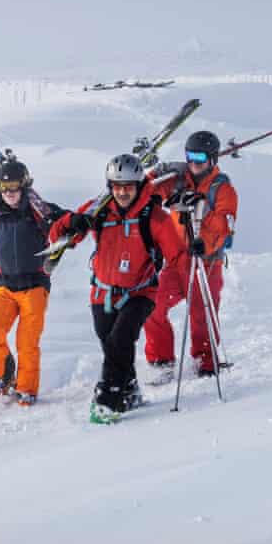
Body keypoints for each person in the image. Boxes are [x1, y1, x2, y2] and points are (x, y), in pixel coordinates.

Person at [49, 154, 188, 423]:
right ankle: (130, 390)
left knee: (120, 340)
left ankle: (108, 399)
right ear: (109, 185)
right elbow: (58, 236)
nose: (123, 192)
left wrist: (191, 256)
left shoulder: (154, 216)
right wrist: (72, 222)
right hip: (102, 292)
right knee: (112, 347)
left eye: (128, 186)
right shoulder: (98, 209)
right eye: (117, 186)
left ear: (138, 185)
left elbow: (177, 255)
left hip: (140, 292)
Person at [143, 130, 238, 382]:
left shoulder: (223, 188)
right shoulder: (178, 178)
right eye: (189, 157)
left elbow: (225, 225)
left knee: (201, 314)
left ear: (213, 159)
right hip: (177, 261)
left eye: (200, 158)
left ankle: (205, 360)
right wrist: (161, 169)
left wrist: (200, 207)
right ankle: (162, 360)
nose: (194, 163)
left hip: (206, 261)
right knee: (151, 305)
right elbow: (147, 189)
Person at [0, 159, 61, 407]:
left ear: (24, 186)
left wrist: (64, 221)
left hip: (34, 285)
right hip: (4, 285)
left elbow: (64, 223)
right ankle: (4, 375)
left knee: (27, 341)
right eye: (4, 188)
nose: (9, 193)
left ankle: (26, 388)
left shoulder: (38, 212)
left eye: (14, 187)